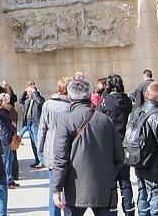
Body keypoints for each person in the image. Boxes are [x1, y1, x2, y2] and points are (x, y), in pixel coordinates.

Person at [51, 80, 124, 216]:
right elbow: (119, 156)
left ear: (70, 98)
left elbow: (60, 158)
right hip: (104, 187)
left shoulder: (66, 121)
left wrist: (57, 188)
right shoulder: (105, 120)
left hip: (75, 189)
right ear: (90, 95)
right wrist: (108, 174)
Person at [129, 82, 158, 216]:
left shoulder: (135, 113)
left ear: (146, 95)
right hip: (156, 167)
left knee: (143, 201)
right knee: (157, 204)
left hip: (138, 162)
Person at [98, 74, 134, 216]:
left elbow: (99, 119)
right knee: (125, 181)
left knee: (111, 181)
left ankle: (112, 210)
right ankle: (129, 210)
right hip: (125, 143)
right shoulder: (127, 100)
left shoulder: (106, 101)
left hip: (110, 145)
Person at [38, 78, 72, 216]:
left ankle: (54, 213)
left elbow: (42, 128)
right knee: (69, 186)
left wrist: (39, 147)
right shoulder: (70, 106)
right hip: (67, 148)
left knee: (54, 186)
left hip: (51, 147)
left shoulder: (47, 105)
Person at [19, 83, 45, 167]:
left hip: (35, 123)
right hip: (28, 123)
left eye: (30, 92)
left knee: (37, 142)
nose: (28, 93)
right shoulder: (28, 101)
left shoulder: (38, 99)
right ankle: (37, 160)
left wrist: (35, 93)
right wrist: (24, 92)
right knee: (33, 143)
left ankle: (42, 160)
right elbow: (21, 100)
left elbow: (40, 102)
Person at [0, 93, 19, 188]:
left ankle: (9, 179)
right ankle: (7, 180)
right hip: (5, 139)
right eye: (4, 100)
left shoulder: (5, 111)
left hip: (9, 138)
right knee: (6, 160)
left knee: (10, 159)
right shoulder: (0, 112)